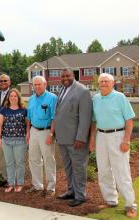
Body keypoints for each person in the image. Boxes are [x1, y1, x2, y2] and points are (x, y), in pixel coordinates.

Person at [89, 73, 137, 218]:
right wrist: (92, 139)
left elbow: (129, 120)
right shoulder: (96, 99)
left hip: (118, 136)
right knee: (103, 171)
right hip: (101, 136)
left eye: (106, 81)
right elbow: (93, 122)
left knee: (121, 172)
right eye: (101, 81)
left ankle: (130, 205)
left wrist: (126, 140)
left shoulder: (120, 97)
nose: (103, 83)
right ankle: (111, 200)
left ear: (112, 83)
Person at [54, 69, 92, 207]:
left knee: (78, 167)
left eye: (67, 75)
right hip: (63, 138)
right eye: (62, 76)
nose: (65, 78)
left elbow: (85, 117)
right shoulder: (62, 90)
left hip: (76, 139)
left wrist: (81, 138)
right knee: (68, 167)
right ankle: (71, 191)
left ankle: (81, 195)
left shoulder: (83, 91)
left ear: (73, 76)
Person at [25, 75, 57, 198]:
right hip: (33, 130)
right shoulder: (32, 98)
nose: (37, 86)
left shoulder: (52, 98)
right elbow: (29, 117)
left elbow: (54, 117)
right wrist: (28, 132)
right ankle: (37, 186)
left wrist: (51, 134)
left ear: (45, 85)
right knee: (34, 159)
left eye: (39, 84)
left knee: (49, 159)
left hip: (46, 131)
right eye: (35, 84)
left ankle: (50, 188)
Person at [0, 88, 28, 193]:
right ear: (8, 98)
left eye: (15, 96)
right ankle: (10, 183)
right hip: (6, 140)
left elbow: (28, 124)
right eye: (11, 96)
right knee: (9, 163)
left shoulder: (24, 110)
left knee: (20, 163)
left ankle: (19, 183)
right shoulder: (3, 109)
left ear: (18, 97)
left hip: (20, 140)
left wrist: (28, 135)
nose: (13, 98)